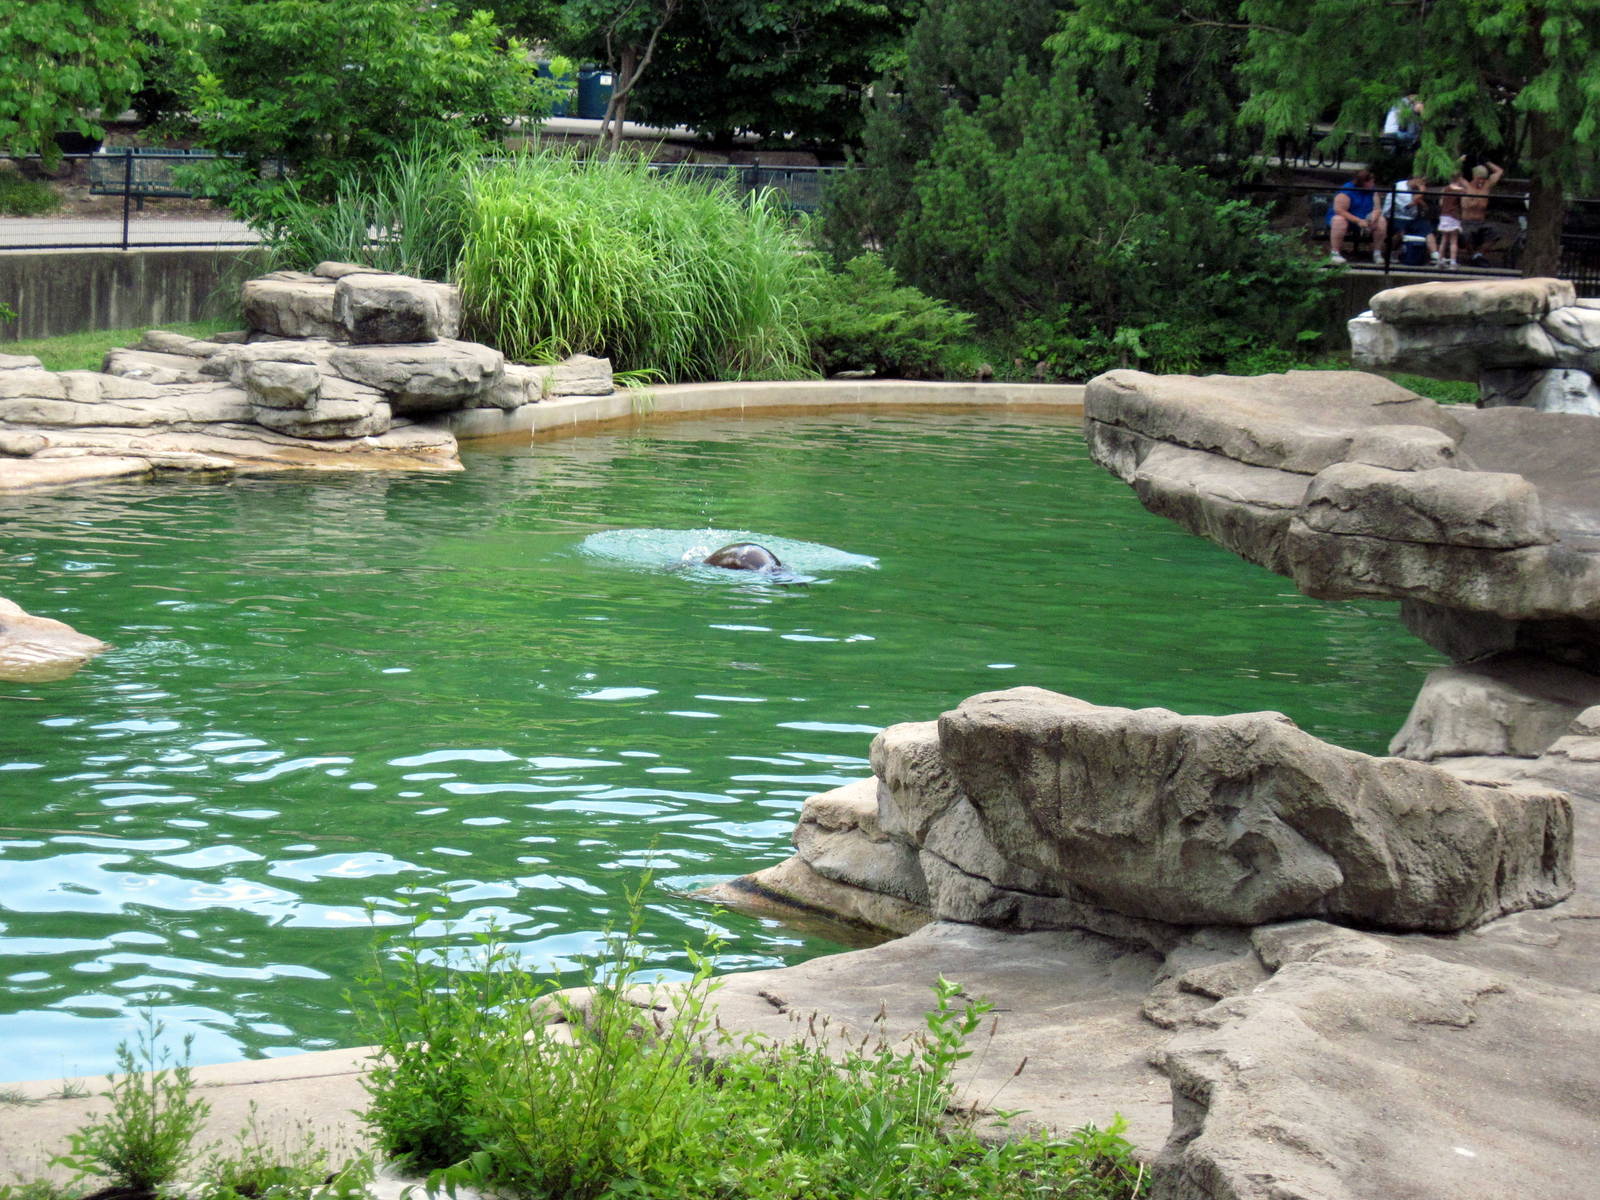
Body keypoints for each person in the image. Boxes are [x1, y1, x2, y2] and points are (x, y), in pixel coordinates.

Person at [1327, 169, 1388, 265]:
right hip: (1348, 219)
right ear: (1364, 182)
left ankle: (1377, 253)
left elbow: (1377, 208)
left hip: (1366, 219)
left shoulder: (1372, 191)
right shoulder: (1347, 190)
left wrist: (1373, 217)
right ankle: (1335, 253)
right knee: (1339, 220)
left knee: (1381, 221)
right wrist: (1358, 221)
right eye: (1371, 181)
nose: (1373, 183)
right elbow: (1339, 210)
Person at [1384, 174, 1441, 266]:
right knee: (1400, 231)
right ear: (1415, 179)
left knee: (1426, 229)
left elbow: (1415, 199)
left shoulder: (1414, 188)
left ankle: (1435, 256)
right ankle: (1392, 253)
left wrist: (1422, 204)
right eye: (1422, 181)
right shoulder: (1400, 188)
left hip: (1412, 218)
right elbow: (1408, 205)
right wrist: (1422, 192)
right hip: (1396, 216)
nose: (1423, 184)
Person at [1460, 160, 1505, 262]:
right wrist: (1462, 159)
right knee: (1465, 234)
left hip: (1481, 222)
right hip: (1467, 222)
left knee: (1495, 233)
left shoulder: (1486, 187)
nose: (1481, 181)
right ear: (1474, 177)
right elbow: (1453, 172)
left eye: (1483, 179)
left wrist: (1487, 161)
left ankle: (1479, 254)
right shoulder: (1466, 186)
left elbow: (1499, 171)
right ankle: (1472, 256)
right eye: (1479, 179)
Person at [1437, 167, 1468, 268]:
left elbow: (1441, 203)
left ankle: (1440, 260)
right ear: (1460, 178)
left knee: (1444, 239)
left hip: (1444, 215)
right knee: (1453, 240)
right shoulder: (1461, 191)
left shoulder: (1445, 189)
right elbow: (1464, 204)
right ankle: (1453, 262)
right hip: (1454, 216)